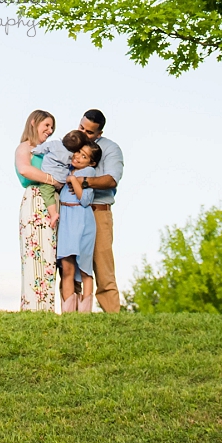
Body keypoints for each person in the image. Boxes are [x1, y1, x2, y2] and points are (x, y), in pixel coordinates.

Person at [74, 109, 124, 313]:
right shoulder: (71, 144)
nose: (84, 134)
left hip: (98, 211)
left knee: (103, 266)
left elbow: (111, 179)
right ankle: (73, 315)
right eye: (81, 128)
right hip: (74, 212)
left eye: (90, 132)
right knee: (72, 263)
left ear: (99, 134)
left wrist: (83, 182)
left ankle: (113, 315)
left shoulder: (111, 149)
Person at [13, 110, 62, 312]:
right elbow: (25, 169)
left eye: (52, 128)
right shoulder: (25, 148)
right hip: (35, 200)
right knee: (33, 254)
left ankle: (47, 307)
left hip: (52, 202)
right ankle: (33, 307)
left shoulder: (49, 151)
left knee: (49, 255)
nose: (49, 131)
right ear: (34, 122)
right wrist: (51, 180)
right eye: (47, 126)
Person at [51, 131, 104, 312]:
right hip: (66, 218)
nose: (78, 157)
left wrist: (74, 180)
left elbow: (85, 200)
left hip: (81, 220)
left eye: (84, 156)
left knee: (84, 267)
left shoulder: (88, 173)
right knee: (66, 267)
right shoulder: (69, 167)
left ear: (92, 162)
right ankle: (68, 312)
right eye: (78, 153)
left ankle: (84, 312)